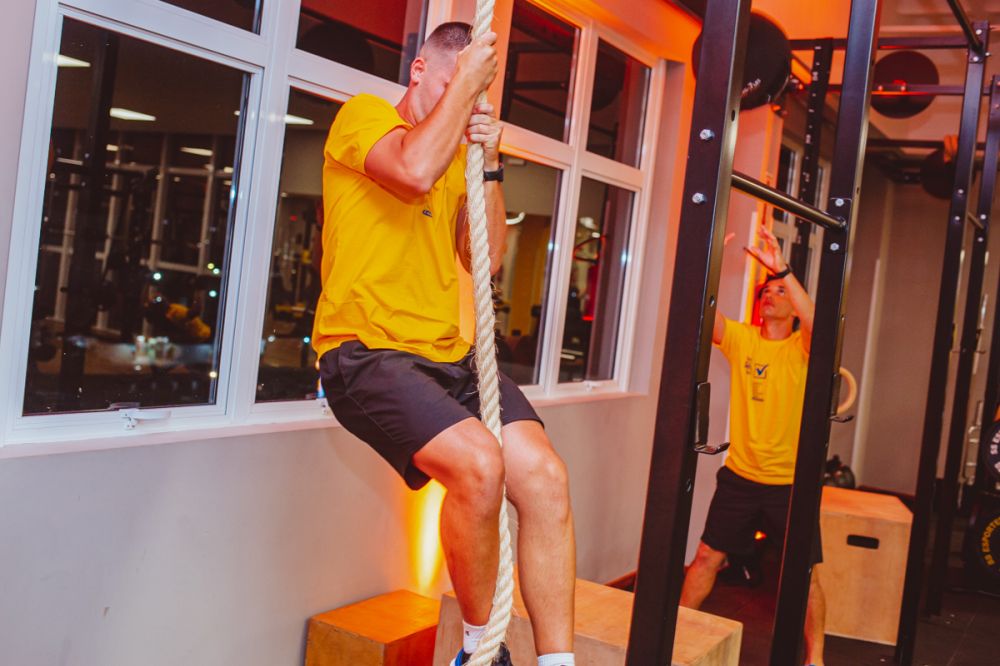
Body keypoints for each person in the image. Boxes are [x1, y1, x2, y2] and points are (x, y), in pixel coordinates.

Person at [312, 22, 576, 666]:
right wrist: (466, 97)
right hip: (365, 353)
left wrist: (492, 163)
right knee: (479, 465)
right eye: (458, 84)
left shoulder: (458, 157)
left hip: (449, 355)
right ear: (419, 72)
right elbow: (410, 170)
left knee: (544, 477)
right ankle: (481, 652)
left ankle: (558, 661)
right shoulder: (364, 116)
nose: (467, 100)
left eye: (477, 91)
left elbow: (484, 257)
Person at [679, 224, 826, 666]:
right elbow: (700, 313)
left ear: (794, 307)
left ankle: (816, 657)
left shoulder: (803, 350)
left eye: (780, 292)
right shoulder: (742, 339)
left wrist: (782, 269)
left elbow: (819, 324)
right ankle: (674, 640)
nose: (770, 294)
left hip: (790, 484)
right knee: (706, 556)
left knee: (804, 572)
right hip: (741, 477)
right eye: (767, 290)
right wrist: (707, 257)